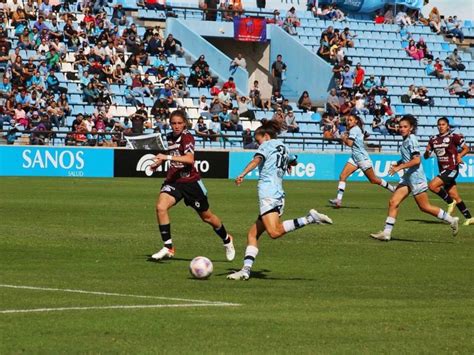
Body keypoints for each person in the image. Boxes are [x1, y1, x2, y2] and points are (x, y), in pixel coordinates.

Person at [227, 120, 333, 280]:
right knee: (252, 234)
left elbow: (256, 160)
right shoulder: (284, 146)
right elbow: (294, 160)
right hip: (279, 194)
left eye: (258, 140)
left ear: (266, 136)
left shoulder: (266, 145)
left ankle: (309, 218)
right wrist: (288, 163)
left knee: (274, 232)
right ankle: (245, 271)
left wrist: (243, 173)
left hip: (268, 193)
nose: (258, 144)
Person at [149, 110, 235, 261]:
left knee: (207, 217)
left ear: (185, 123)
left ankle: (227, 240)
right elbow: (172, 154)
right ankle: (168, 246)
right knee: (160, 207)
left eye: (179, 123)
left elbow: (190, 159)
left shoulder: (187, 137)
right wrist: (159, 163)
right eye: (174, 123)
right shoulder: (169, 136)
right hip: (174, 181)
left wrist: (166, 157)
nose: (176, 126)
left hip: (191, 183)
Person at [371, 115, 459, 241]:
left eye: (405, 127)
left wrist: (400, 167)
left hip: (416, 178)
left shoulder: (412, 139)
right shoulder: (406, 140)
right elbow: (409, 157)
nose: (401, 129)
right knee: (393, 202)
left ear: (411, 128)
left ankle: (451, 220)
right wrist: (399, 162)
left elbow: (417, 160)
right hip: (408, 178)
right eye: (400, 126)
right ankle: (386, 232)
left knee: (424, 207)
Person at [329, 114, 395, 208]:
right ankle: (338, 200)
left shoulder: (354, 129)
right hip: (355, 158)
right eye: (348, 120)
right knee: (342, 176)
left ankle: (392, 188)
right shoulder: (355, 129)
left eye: (351, 120)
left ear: (356, 121)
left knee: (374, 180)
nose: (348, 121)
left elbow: (350, 143)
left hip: (362, 159)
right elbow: (362, 137)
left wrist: (343, 138)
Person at [424, 117, 473, 226]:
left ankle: (450, 202)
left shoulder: (453, 137)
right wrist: (427, 152)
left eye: (443, 124)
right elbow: (426, 156)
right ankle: (469, 218)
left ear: (448, 126)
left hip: (452, 169)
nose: (441, 126)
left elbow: (466, 148)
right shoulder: (433, 139)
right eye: (439, 124)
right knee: (455, 195)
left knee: (432, 186)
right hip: (443, 170)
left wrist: (459, 156)